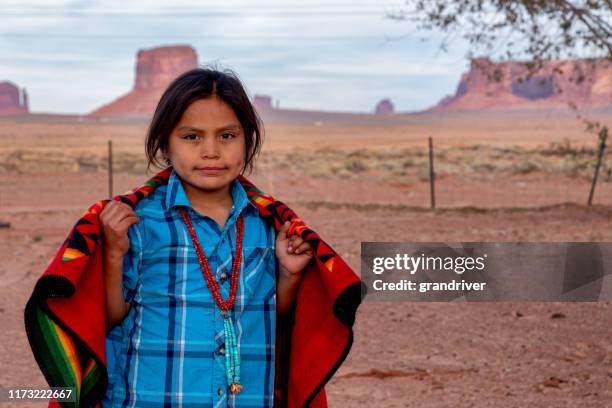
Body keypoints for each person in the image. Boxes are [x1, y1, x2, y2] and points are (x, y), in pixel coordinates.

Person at [99, 67, 314, 407]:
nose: (211, 151)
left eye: (227, 136)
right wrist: (113, 253)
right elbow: (107, 318)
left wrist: (288, 275)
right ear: (165, 144)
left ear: (248, 140)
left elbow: (273, 316)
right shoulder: (137, 223)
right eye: (191, 137)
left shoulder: (266, 224)